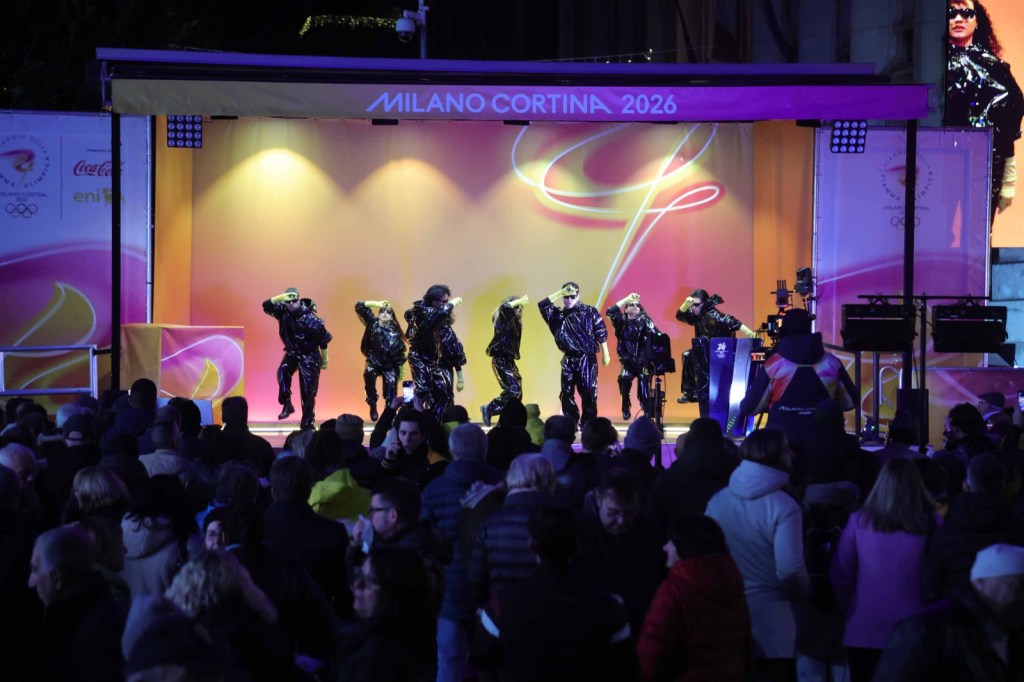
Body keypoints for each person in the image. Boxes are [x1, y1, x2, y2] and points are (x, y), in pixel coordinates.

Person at [472, 506, 639, 681]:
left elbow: (482, 656)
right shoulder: (608, 608)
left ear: (532, 548)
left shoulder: (503, 603)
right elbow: (627, 670)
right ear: (576, 548)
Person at [705, 428, 809, 681]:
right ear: (772, 456)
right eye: (786, 448)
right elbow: (789, 569)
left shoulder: (718, 500)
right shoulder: (784, 507)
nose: (792, 453)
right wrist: (807, 594)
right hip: (773, 619)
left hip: (725, 616)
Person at [828, 458, 937, 682]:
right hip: (917, 625)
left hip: (863, 626)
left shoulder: (859, 521)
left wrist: (847, 606)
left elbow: (841, 573)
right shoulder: (931, 522)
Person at [874, 542, 1024, 681]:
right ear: (980, 582)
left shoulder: (1010, 630)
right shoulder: (926, 629)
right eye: (1017, 585)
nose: (1021, 596)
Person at [637, 515, 750, 682]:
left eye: (671, 542)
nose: (665, 547)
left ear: (684, 546)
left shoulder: (673, 590)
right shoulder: (733, 585)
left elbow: (654, 650)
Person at [945, 0, 1024, 219]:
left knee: (978, 230)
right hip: (939, 161)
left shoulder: (996, 69)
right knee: (936, 227)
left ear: (977, 20)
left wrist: (1009, 177)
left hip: (984, 164)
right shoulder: (933, 65)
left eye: (966, 13)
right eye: (951, 13)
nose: (959, 19)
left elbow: (1008, 125)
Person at [739, 309, 857, 453]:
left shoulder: (774, 364)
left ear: (784, 330)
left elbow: (749, 407)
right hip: (824, 446)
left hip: (782, 448)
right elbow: (850, 402)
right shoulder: (832, 362)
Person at [538, 281, 610, 426]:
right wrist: (560, 292)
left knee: (589, 392)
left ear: (578, 295)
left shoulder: (589, 312)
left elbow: (600, 331)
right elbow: (543, 305)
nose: (569, 300)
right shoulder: (558, 316)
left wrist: (606, 353)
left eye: (572, 296)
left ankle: (588, 422)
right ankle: (571, 422)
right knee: (566, 392)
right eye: (566, 297)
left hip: (587, 357)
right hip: (570, 358)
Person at [676, 289, 757, 414]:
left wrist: (751, 334)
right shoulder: (698, 317)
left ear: (705, 303)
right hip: (704, 358)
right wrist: (686, 304)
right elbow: (680, 316)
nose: (692, 308)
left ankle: (691, 393)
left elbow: (733, 322)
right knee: (688, 356)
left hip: (720, 359)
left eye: (695, 304)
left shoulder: (716, 316)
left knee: (715, 397)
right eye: (691, 305)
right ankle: (690, 392)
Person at [262, 286, 332, 429]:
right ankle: (287, 403)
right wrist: (280, 298)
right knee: (283, 371)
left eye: (294, 300)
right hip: (293, 352)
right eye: (288, 301)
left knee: (308, 392)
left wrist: (325, 359)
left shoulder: (311, 319)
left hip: (310, 355)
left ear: (299, 299)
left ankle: (307, 424)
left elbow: (323, 341)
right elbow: (266, 305)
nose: (292, 304)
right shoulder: (282, 311)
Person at [405, 285, 463, 418]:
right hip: (418, 356)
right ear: (433, 300)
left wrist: (460, 375)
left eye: (447, 302)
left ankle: (435, 420)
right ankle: (416, 416)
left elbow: (454, 347)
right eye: (443, 301)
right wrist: (453, 304)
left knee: (443, 391)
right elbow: (439, 313)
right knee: (423, 388)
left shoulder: (440, 320)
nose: (445, 305)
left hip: (433, 359)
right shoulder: (422, 312)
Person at [606, 292, 661, 421]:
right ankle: (625, 405)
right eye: (631, 305)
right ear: (625, 309)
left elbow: (657, 336)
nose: (635, 306)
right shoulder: (621, 322)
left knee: (644, 385)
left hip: (644, 362)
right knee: (624, 378)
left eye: (637, 305)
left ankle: (647, 411)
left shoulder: (645, 321)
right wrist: (626, 299)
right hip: (628, 362)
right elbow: (610, 311)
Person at [356, 299, 408, 423]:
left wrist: (401, 369)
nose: (384, 313)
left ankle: (388, 415)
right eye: (382, 311)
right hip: (373, 361)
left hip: (389, 364)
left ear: (391, 316)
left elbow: (400, 353)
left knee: (391, 388)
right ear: (379, 314)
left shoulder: (395, 332)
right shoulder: (372, 323)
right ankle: (372, 403)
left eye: (388, 312)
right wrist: (377, 304)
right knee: (368, 374)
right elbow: (359, 306)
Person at [481, 294, 530, 426]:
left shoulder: (516, 323)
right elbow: (504, 307)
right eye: (517, 306)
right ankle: (490, 408)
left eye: (521, 306)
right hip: (501, 359)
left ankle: (505, 421)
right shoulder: (504, 319)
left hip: (508, 360)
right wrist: (519, 301)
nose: (520, 308)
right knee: (514, 389)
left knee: (517, 391)